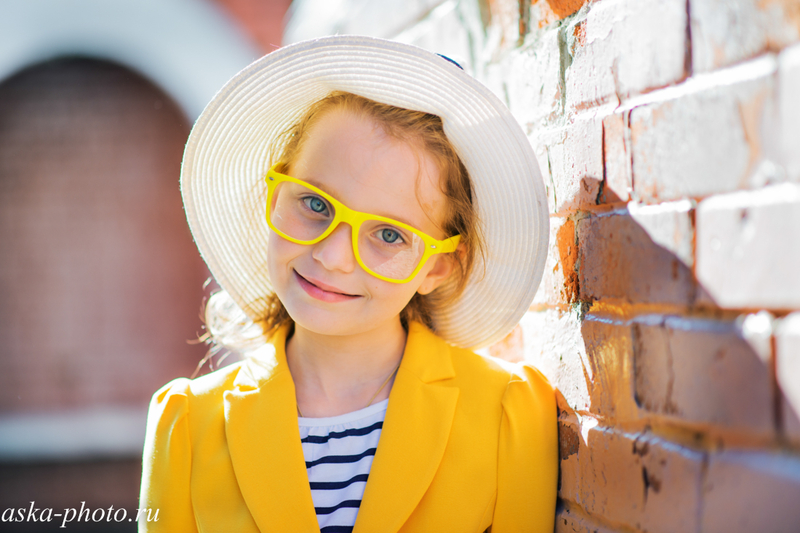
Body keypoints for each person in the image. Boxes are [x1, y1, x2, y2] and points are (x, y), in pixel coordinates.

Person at [139, 36, 557, 532]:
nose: (332, 257)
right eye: (315, 204)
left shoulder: (506, 413)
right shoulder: (187, 425)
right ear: (273, 196)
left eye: (388, 235)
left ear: (438, 267)